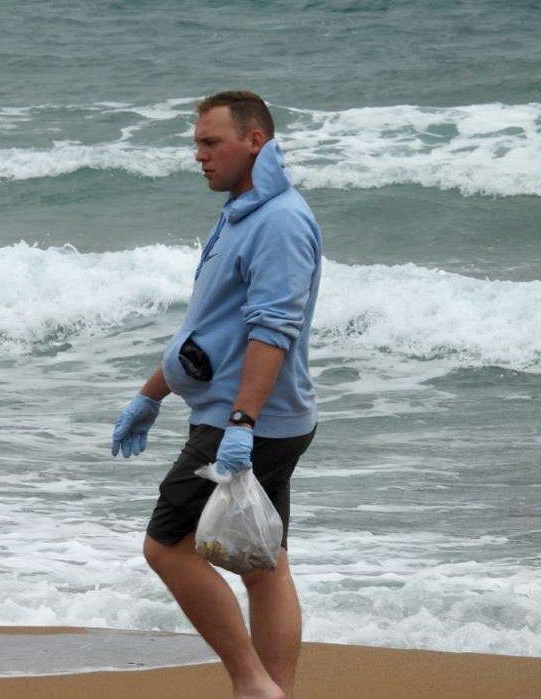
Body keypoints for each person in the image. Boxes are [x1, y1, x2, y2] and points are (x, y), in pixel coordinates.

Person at [111, 91, 321, 699]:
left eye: (211, 143)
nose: (199, 156)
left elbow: (271, 331)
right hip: (251, 416)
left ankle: (253, 684)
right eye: (196, 144)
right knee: (264, 562)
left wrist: (239, 423)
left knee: (167, 548)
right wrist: (151, 395)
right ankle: (272, 692)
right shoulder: (242, 210)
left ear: (255, 141)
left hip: (247, 421)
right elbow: (208, 326)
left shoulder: (280, 222)